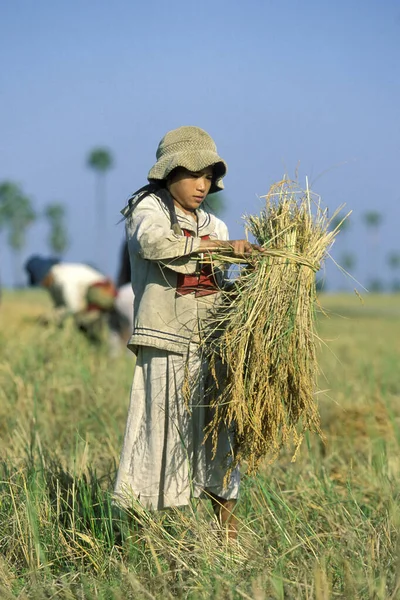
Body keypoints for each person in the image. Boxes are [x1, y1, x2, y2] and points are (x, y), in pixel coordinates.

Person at [114, 126, 258, 538]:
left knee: (220, 440)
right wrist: (222, 248)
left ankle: (228, 542)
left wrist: (252, 282)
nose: (202, 185)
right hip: (165, 343)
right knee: (159, 439)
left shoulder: (215, 221)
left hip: (210, 346)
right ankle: (142, 542)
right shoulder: (147, 210)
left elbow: (216, 285)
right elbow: (154, 246)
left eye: (209, 176)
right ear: (169, 173)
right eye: (194, 174)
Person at [24, 256, 133, 351]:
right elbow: (60, 307)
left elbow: (73, 308)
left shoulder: (64, 280)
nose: (42, 285)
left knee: (90, 326)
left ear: (46, 275)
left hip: (101, 300)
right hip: (92, 304)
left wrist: (51, 318)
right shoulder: (54, 284)